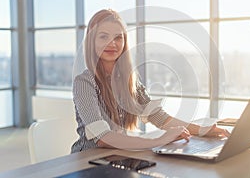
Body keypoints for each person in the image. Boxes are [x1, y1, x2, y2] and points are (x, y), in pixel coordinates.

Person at [71, 9, 229, 153]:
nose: (112, 43)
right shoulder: (84, 83)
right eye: (103, 36)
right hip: (88, 160)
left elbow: (160, 118)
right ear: (91, 41)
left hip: (118, 156)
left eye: (118, 37)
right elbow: (102, 138)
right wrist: (159, 140)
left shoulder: (129, 80)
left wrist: (202, 130)